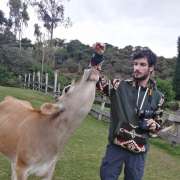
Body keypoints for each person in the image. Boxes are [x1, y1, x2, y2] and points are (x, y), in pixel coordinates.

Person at [90, 44, 164, 180]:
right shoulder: (119, 86)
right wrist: (98, 56)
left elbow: (158, 124)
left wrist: (154, 125)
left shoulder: (158, 96)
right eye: (135, 64)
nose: (137, 68)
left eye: (142, 64)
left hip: (138, 152)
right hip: (116, 147)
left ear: (151, 68)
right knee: (106, 177)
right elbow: (96, 81)